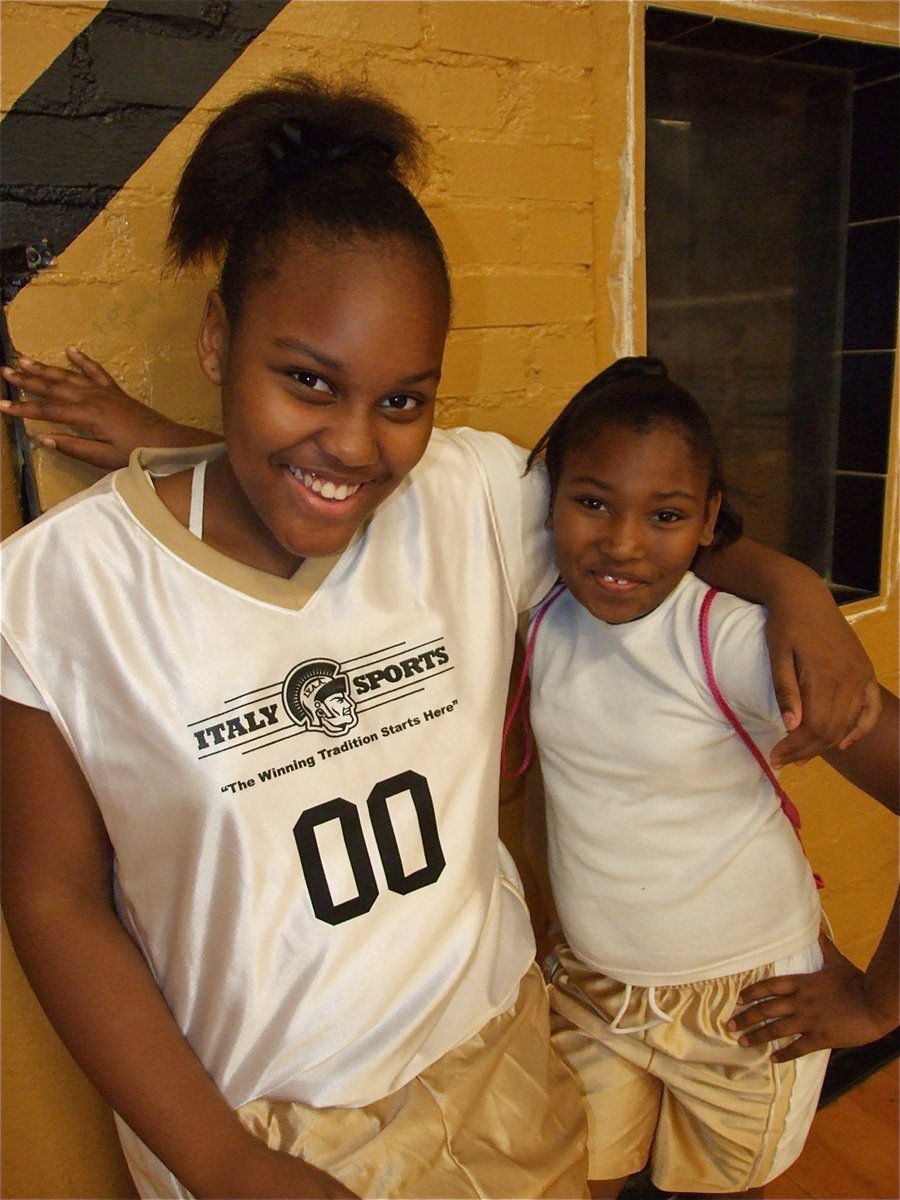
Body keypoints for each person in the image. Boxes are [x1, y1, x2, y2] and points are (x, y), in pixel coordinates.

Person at [0, 72, 881, 1200]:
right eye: (307, 378)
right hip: (262, 1128)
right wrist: (219, 1160)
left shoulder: (466, 497)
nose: (360, 445)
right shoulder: (59, 590)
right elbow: (53, 898)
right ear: (219, 338)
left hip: (503, 1062)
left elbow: (641, 531)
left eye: (405, 400)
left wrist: (793, 587)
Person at [519, 357, 898, 1198]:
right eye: (591, 502)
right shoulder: (545, 604)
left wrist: (878, 1007)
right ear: (549, 504)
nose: (620, 543)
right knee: (574, 1175)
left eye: (665, 514)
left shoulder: (727, 642)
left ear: (707, 521)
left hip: (748, 1003)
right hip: (594, 982)